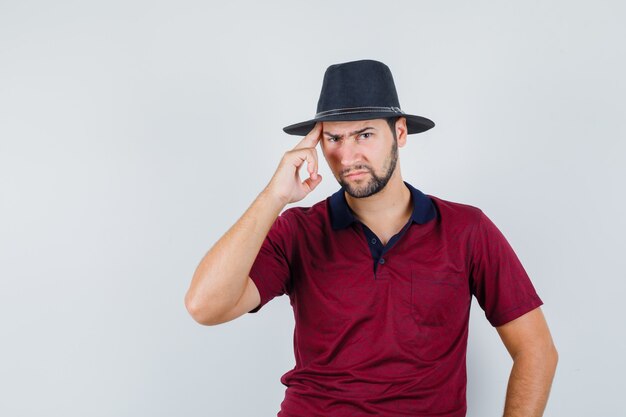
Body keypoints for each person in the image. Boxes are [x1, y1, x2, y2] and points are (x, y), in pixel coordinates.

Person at [185, 59, 558, 417]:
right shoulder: (298, 231)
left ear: (399, 133)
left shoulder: (466, 229)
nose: (348, 156)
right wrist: (275, 196)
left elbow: (536, 349)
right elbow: (205, 306)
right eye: (333, 138)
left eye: (365, 134)